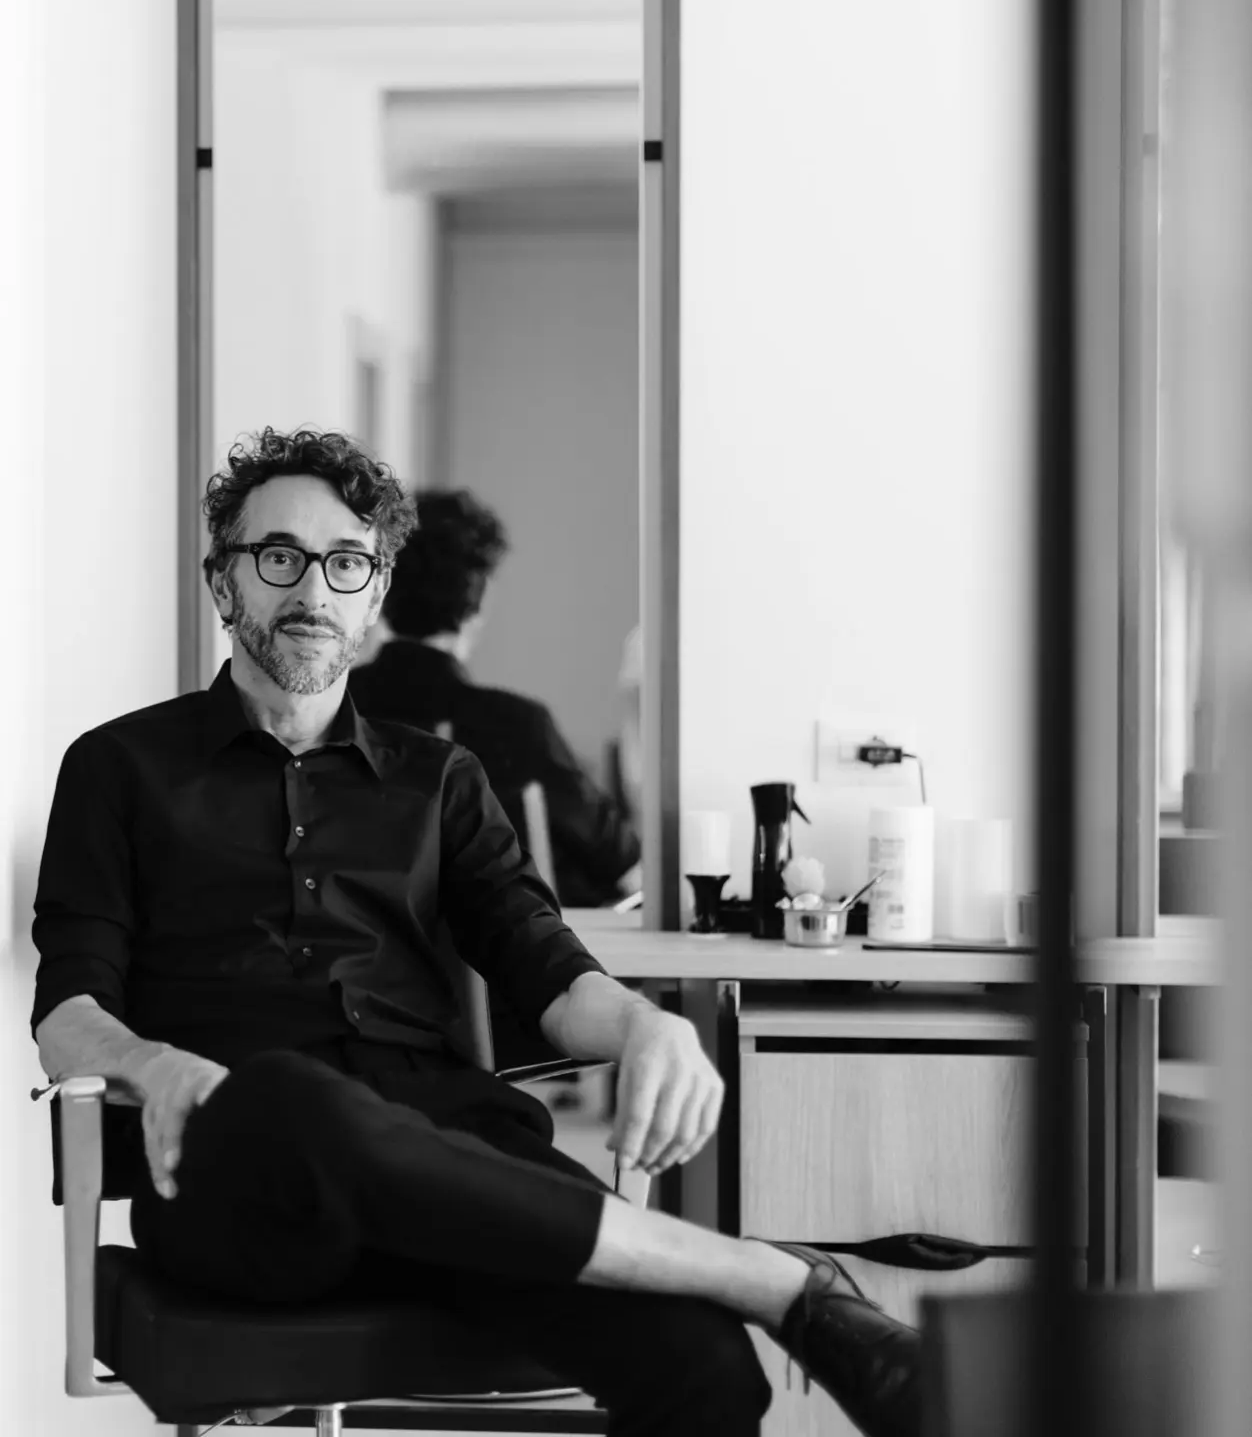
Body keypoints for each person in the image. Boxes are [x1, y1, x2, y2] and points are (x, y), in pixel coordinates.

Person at [30, 428, 919, 1437]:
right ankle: (763, 1275)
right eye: (278, 557)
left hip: (447, 1157)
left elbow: (543, 963)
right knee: (289, 1095)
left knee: (704, 1365)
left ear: (375, 595)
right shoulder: (117, 768)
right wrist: (153, 1065)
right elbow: (66, 1013)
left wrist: (645, 1026)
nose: (313, 590)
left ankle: (737, 1288)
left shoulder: (441, 780)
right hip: (239, 1177)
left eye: (346, 563)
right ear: (221, 581)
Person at [350, 488, 641, 907]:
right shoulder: (518, 726)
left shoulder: (332, 708)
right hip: (495, 945)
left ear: (381, 588)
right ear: (480, 599)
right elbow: (624, 865)